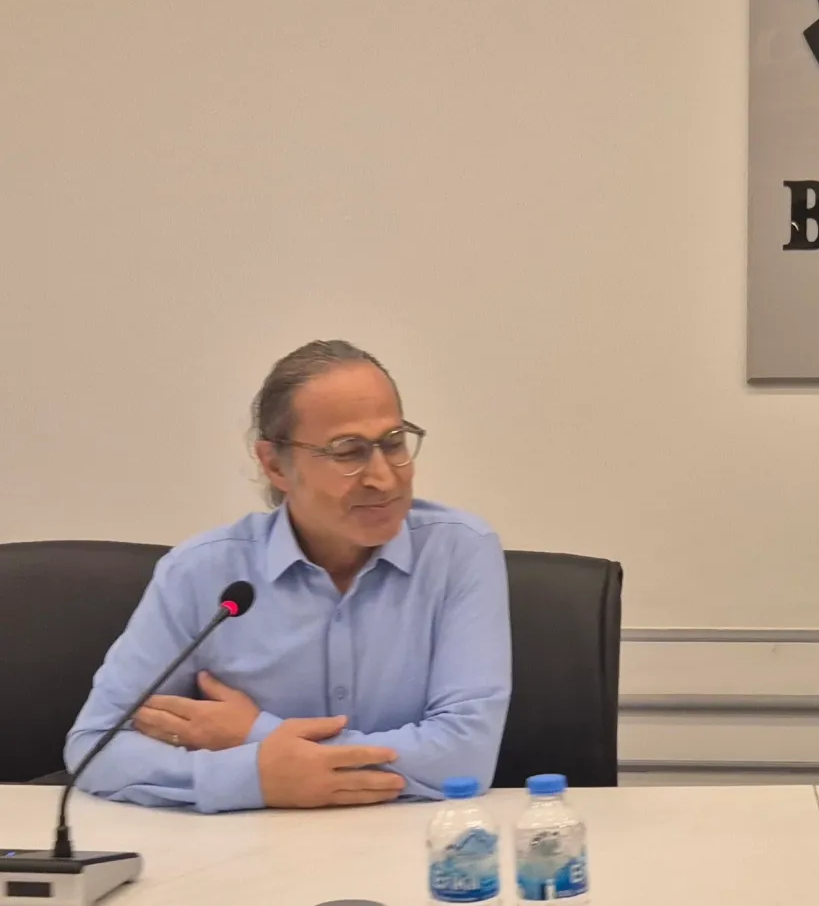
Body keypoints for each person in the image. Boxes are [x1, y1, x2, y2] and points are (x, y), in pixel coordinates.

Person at [66, 340, 512, 813]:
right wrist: (253, 778)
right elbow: (95, 745)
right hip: (245, 846)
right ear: (276, 464)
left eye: (393, 443)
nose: (383, 478)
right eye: (348, 452)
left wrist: (254, 735)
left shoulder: (458, 551)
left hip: (414, 843)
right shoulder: (201, 574)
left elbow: (466, 755)